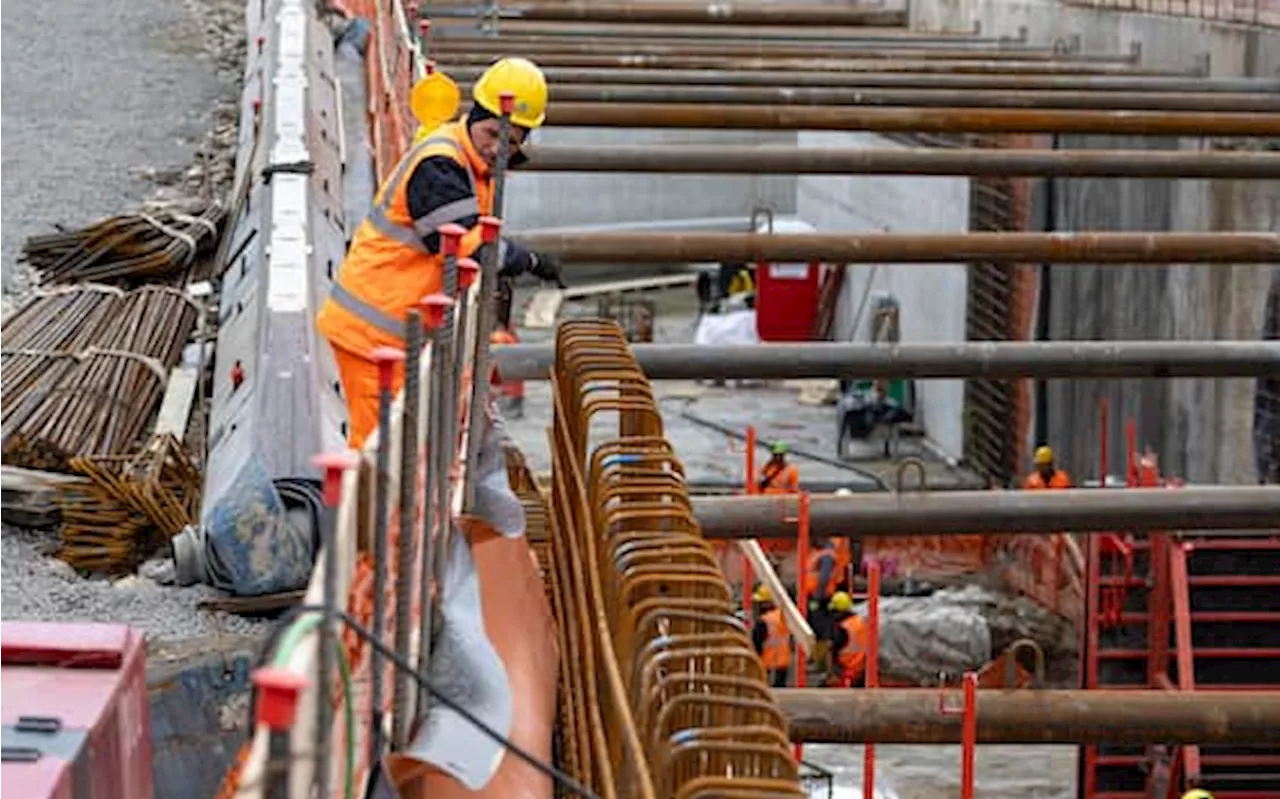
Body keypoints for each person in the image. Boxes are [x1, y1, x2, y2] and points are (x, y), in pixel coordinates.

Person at [316, 57, 565, 448]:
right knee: (379, 455)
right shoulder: (441, 165)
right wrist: (528, 261)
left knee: (397, 453)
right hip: (375, 334)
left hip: (397, 331)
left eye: (512, 143)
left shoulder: (470, 162)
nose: (498, 148)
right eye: (491, 133)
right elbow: (468, 247)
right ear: (474, 116)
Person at [750, 585, 792, 688]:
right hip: (783, 663)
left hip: (767, 663)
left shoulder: (764, 620)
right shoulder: (783, 616)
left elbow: (757, 641)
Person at [826, 591, 868, 688]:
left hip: (846, 669)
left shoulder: (843, 627)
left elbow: (833, 649)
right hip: (861, 668)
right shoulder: (860, 622)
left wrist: (832, 672)